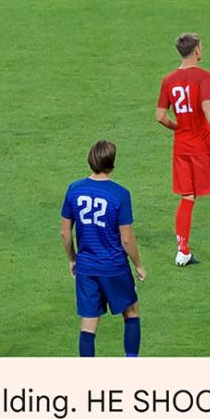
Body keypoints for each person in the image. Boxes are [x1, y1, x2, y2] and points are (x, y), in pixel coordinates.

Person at [156, 32, 210, 266]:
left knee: (187, 197)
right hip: (205, 146)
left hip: (182, 147)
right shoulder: (204, 77)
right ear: (196, 50)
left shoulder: (168, 80)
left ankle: (182, 251)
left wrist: (178, 127)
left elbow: (160, 116)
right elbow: (207, 108)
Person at [60, 141, 146, 356]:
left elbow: (65, 233)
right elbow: (126, 239)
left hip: (86, 268)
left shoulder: (74, 189)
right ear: (112, 162)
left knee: (88, 323)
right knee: (131, 311)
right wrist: (138, 264)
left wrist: (72, 259)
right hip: (114, 267)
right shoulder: (120, 194)